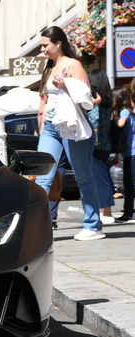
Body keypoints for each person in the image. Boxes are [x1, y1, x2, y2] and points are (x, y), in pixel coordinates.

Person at [35, 26, 104, 241]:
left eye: (45, 45)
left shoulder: (73, 65)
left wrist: (65, 85)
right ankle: (38, 227)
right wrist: (42, 125)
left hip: (72, 127)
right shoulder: (49, 66)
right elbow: (45, 101)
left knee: (83, 177)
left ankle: (93, 225)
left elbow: (88, 99)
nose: (43, 49)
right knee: (41, 178)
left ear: (58, 44)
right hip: (50, 128)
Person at [87, 69, 115, 225]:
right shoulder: (107, 101)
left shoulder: (96, 101)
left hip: (97, 144)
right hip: (106, 143)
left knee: (100, 178)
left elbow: (95, 120)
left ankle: (107, 212)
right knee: (103, 176)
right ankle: (106, 210)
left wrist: (94, 139)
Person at [114, 86, 135, 221]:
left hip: (132, 152)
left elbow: (120, 124)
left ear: (120, 97)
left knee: (130, 183)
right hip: (128, 153)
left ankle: (128, 212)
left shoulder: (125, 111)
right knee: (129, 183)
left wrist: (111, 120)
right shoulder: (128, 111)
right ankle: (128, 211)